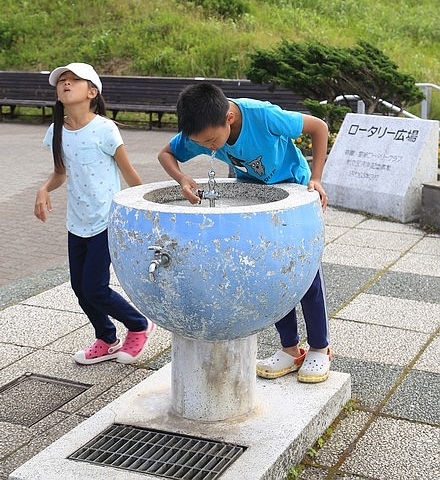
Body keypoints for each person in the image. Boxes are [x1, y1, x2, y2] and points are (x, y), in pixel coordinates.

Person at [158, 81, 332, 383]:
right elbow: (165, 154)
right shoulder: (202, 128)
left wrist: (316, 178)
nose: (210, 148)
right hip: (255, 200)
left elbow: (319, 127)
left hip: (293, 193)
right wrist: (182, 178)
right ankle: (290, 350)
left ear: (229, 117)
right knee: (272, 275)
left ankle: (320, 348)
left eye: (213, 141)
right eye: (202, 145)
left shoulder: (262, 116)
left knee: (306, 276)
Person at [34, 62, 155, 365]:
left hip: (105, 220)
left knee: (95, 287)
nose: (65, 83)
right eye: (62, 80)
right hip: (77, 222)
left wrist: (148, 208)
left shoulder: (104, 129)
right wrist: (44, 189)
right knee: (80, 288)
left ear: (91, 92)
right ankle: (107, 338)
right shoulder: (56, 130)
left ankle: (139, 324)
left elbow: (128, 172)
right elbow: (61, 172)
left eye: (74, 80)